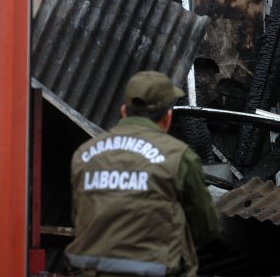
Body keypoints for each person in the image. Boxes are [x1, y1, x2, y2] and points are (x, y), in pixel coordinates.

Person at [65, 71, 221, 277]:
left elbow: (78, 218)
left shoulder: (84, 155)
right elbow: (206, 229)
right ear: (167, 117)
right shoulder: (178, 156)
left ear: (123, 111)